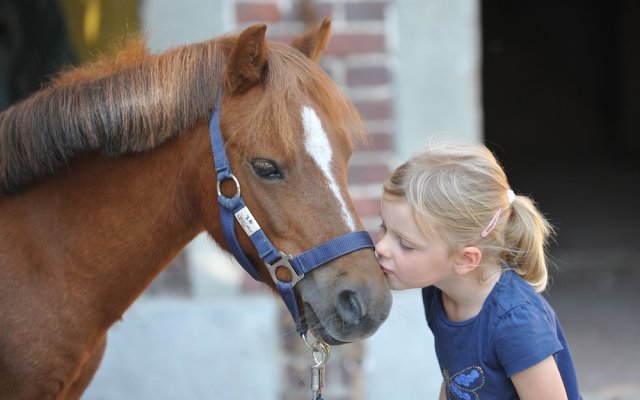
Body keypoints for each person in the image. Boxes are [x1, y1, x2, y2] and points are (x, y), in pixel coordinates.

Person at [375, 140, 582, 399]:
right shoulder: (438, 292)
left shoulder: (516, 323)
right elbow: (455, 379)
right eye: (383, 227)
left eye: (405, 244)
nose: (381, 246)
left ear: (465, 259)